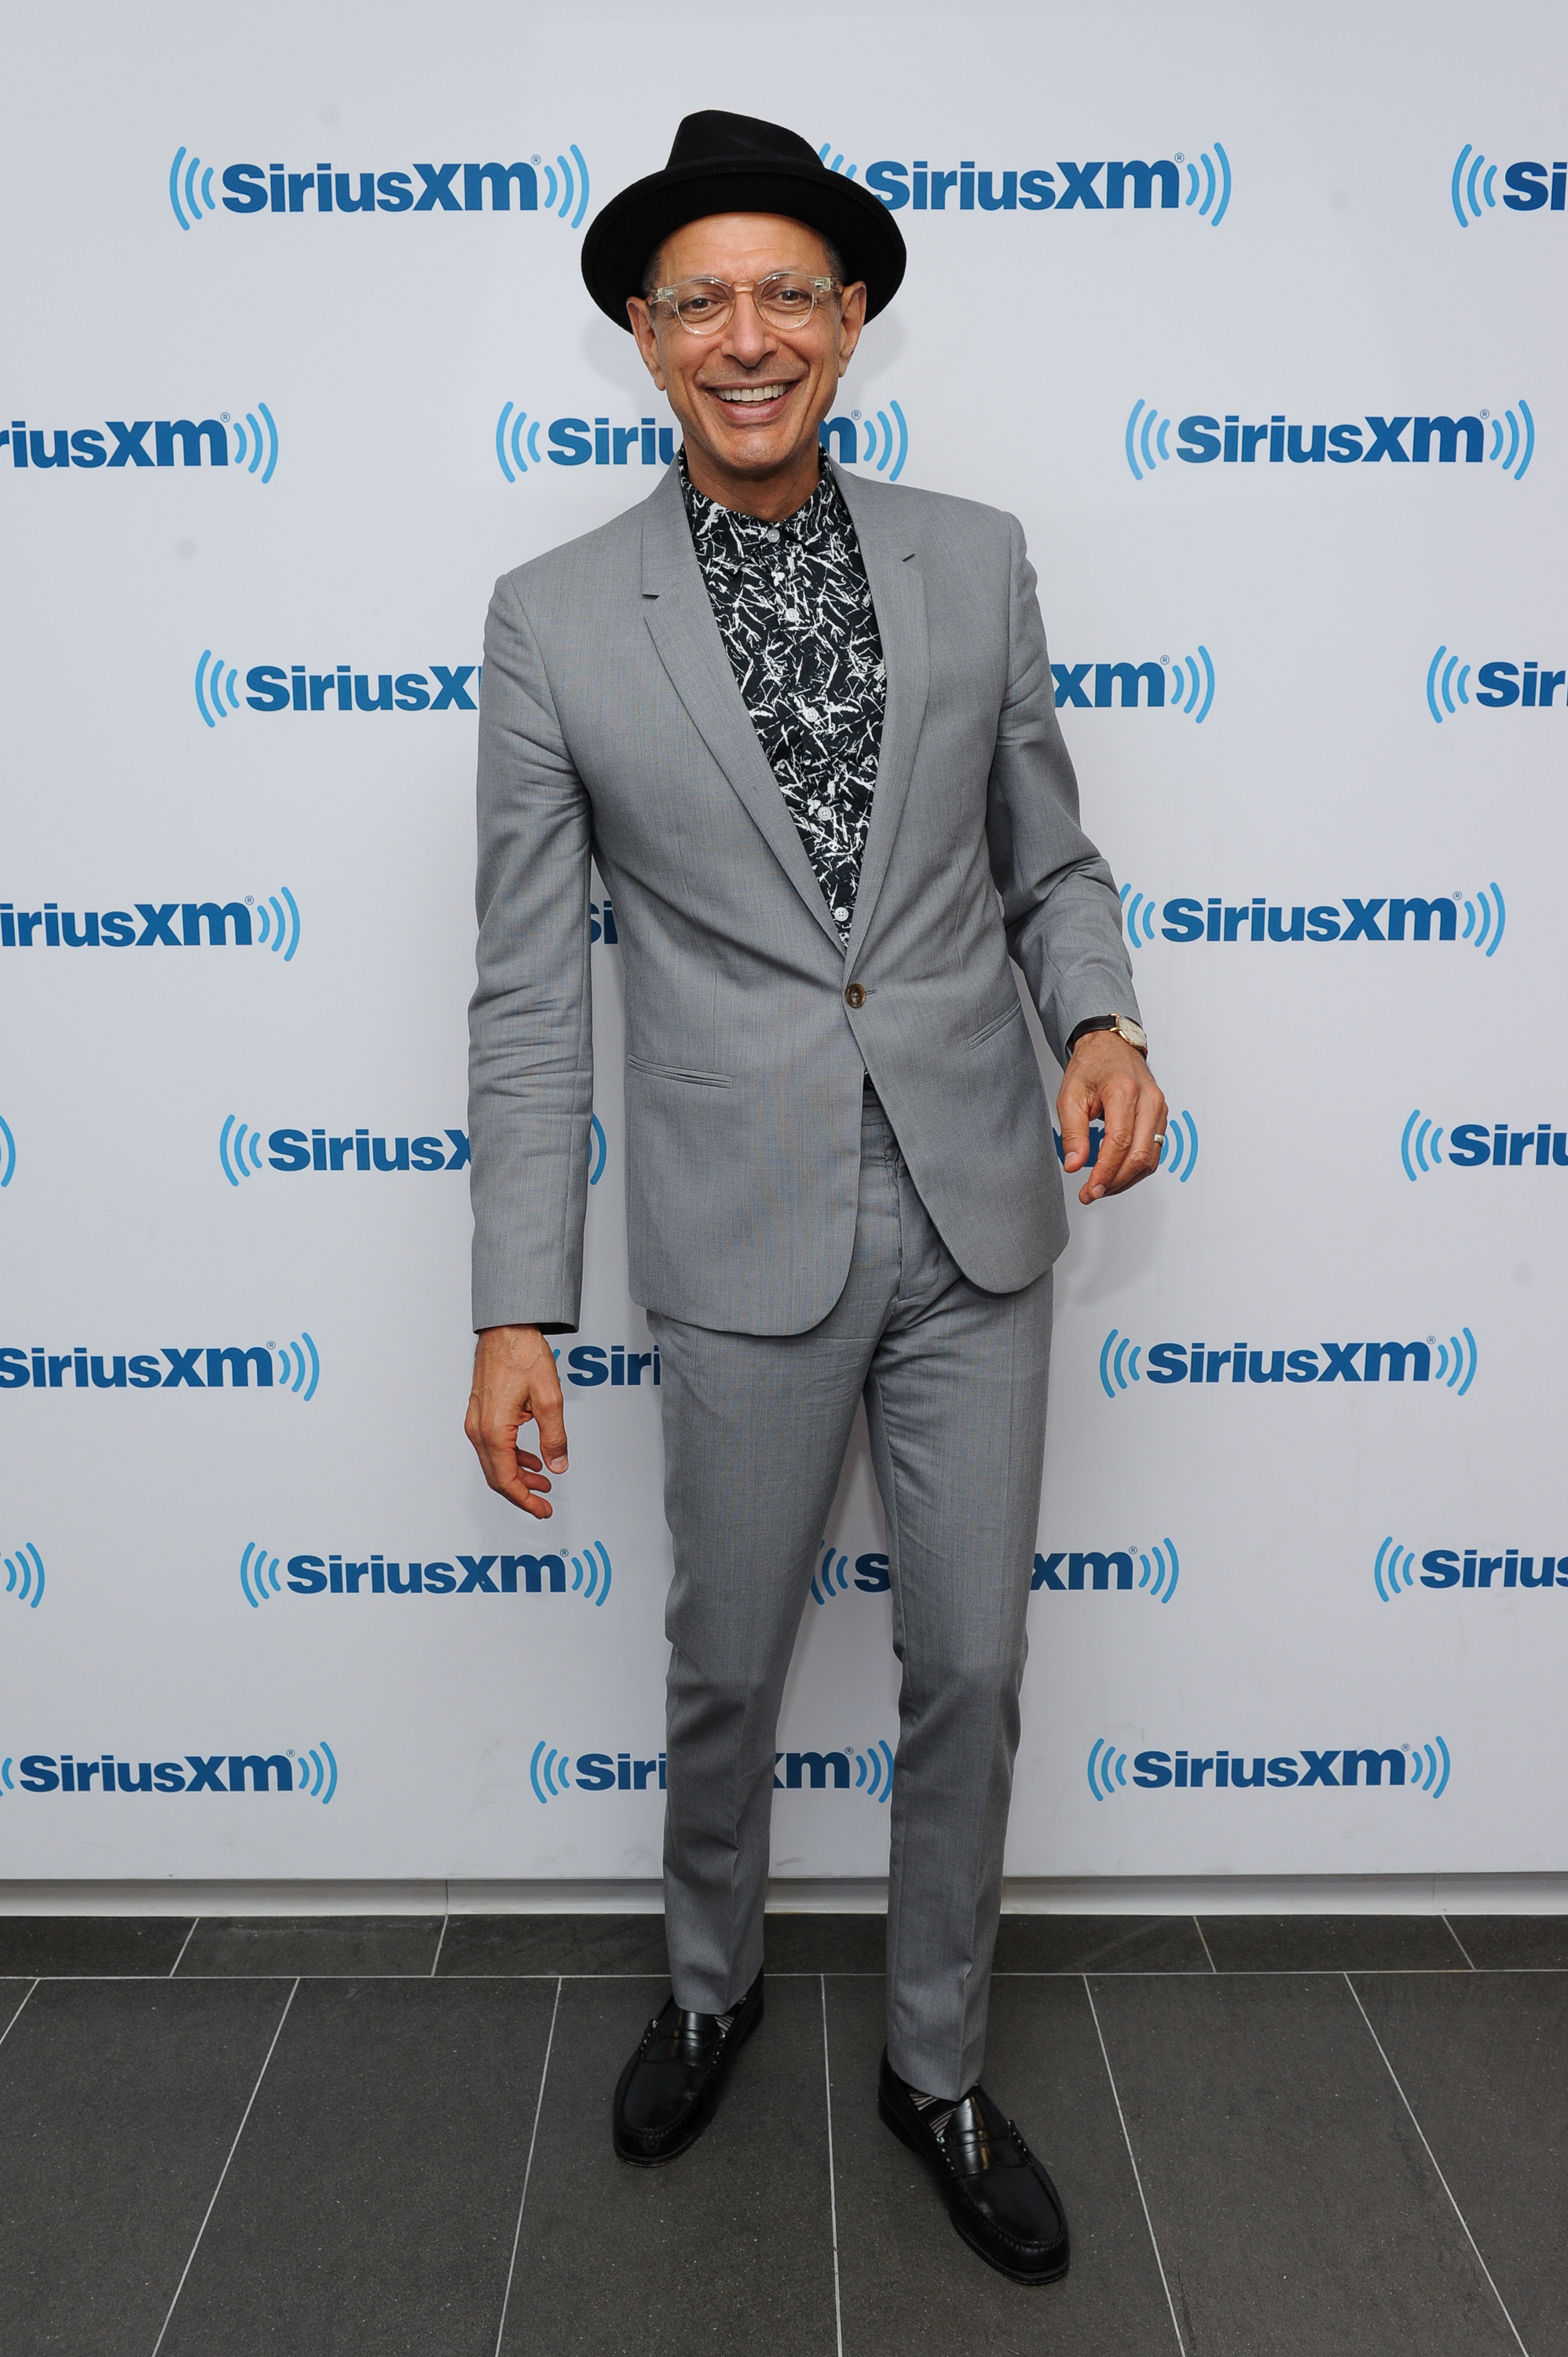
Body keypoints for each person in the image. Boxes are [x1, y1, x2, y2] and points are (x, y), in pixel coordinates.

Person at [465, 112, 1167, 2286]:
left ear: (851, 323)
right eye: (701, 300)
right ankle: (711, 1984)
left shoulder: (978, 557)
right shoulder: (550, 619)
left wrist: (1100, 1015)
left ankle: (935, 2062)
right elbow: (526, 987)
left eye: (788, 292)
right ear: (642, 335)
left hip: (976, 1207)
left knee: (972, 1662)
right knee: (727, 1660)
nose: (746, 334)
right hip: (735, 1218)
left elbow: (1047, 855)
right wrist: (512, 1308)